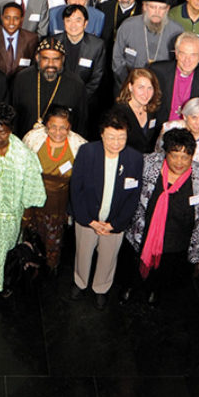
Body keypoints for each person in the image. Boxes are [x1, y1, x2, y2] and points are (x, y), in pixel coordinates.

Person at [122, 128, 199, 304]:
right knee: (134, 263)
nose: (179, 162)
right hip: (143, 231)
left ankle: (154, 291)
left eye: (185, 157)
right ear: (165, 153)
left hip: (178, 238)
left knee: (166, 269)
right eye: (174, 156)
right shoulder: (148, 164)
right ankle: (131, 287)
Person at [68, 114, 143, 308]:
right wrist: (89, 220)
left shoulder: (134, 158)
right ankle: (80, 282)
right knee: (83, 252)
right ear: (101, 135)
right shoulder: (87, 152)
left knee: (108, 257)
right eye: (111, 137)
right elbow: (76, 189)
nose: (116, 143)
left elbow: (133, 196)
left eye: (121, 137)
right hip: (88, 217)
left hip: (115, 220)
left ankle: (101, 287)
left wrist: (115, 224)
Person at [0, 104, 46, 295]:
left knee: (7, 247)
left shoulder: (23, 154)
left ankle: (5, 279)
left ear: (11, 130)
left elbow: (32, 185)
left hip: (11, 211)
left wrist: (27, 213)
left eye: (3, 132)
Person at [19, 105, 86, 272]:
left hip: (59, 205)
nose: (58, 132)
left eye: (63, 127)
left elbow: (82, 182)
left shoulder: (80, 146)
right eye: (53, 126)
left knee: (54, 240)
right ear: (46, 125)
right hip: (33, 201)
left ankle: (50, 269)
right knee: (31, 236)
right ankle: (30, 266)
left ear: (70, 128)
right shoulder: (32, 139)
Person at [11, 38, 88, 137]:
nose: (51, 64)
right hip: (25, 142)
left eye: (56, 59)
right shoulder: (22, 79)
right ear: (37, 58)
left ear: (63, 59)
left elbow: (81, 123)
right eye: (45, 59)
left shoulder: (76, 84)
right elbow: (14, 115)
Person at [111, 0, 181, 84]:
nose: (157, 12)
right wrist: (129, 83)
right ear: (144, 6)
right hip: (129, 83)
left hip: (163, 85)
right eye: (152, 7)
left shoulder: (177, 31)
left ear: (167, 9)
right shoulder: (128, 26)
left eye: (162, 8)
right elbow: (117, 59)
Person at [149, 33, 199, 128]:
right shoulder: (157, 72)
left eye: (193, 55)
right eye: (183, 54)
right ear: (176, 54)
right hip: (159, 130)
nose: (187, 60)